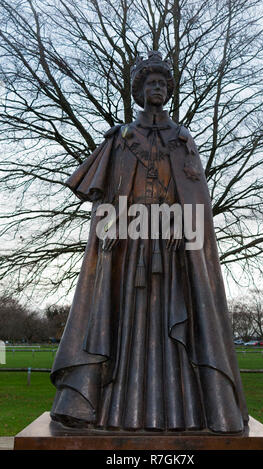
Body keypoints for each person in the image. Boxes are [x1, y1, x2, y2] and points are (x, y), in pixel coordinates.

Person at [50, 51, 249, 433]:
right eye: (149, 83)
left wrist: (182, 225)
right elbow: (107, 195)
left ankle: (189, 413)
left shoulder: (182, 139)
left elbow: (195, 199)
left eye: (162, 83)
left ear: (168, 91)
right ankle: (103, 409)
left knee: (178, 321)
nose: (156, 88)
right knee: (118, 321)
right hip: (128, 245)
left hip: (173, 249)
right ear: (138, 91)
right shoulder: (121, 138)